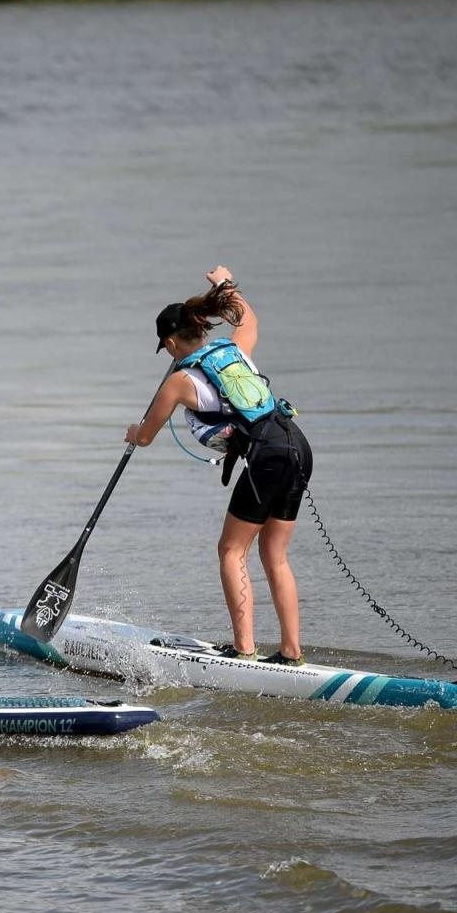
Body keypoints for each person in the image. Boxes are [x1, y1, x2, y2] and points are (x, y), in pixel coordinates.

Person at [123, 266, 314, 666]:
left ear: (172, 342)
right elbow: (251, 318)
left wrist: (133, 433)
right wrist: (226, 285)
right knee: (275, 556)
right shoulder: (235, 348)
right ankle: (291, 651)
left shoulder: (178, 382)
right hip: (296, 443)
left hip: (267, 457)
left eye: (168, 348)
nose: (170, 354)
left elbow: (146, 436)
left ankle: (244, 649)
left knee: (231, 550)